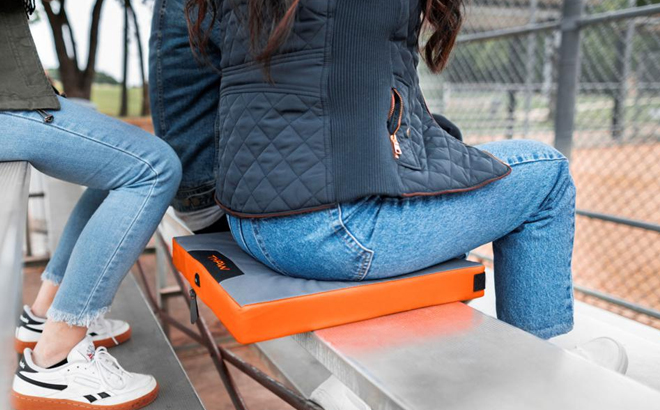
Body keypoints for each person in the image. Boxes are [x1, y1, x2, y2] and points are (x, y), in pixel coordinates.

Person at [150, 0, 628, 406]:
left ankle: (366, 385)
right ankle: (537, 376)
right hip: (333, 233)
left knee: (454, 172)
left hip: (250, 222)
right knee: (545, 172)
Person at [3, 1, 180, 408]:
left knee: (126, 159)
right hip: (5, 104)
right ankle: (55, 356)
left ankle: (46, 312)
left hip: (12, 88)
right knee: (154, 167)